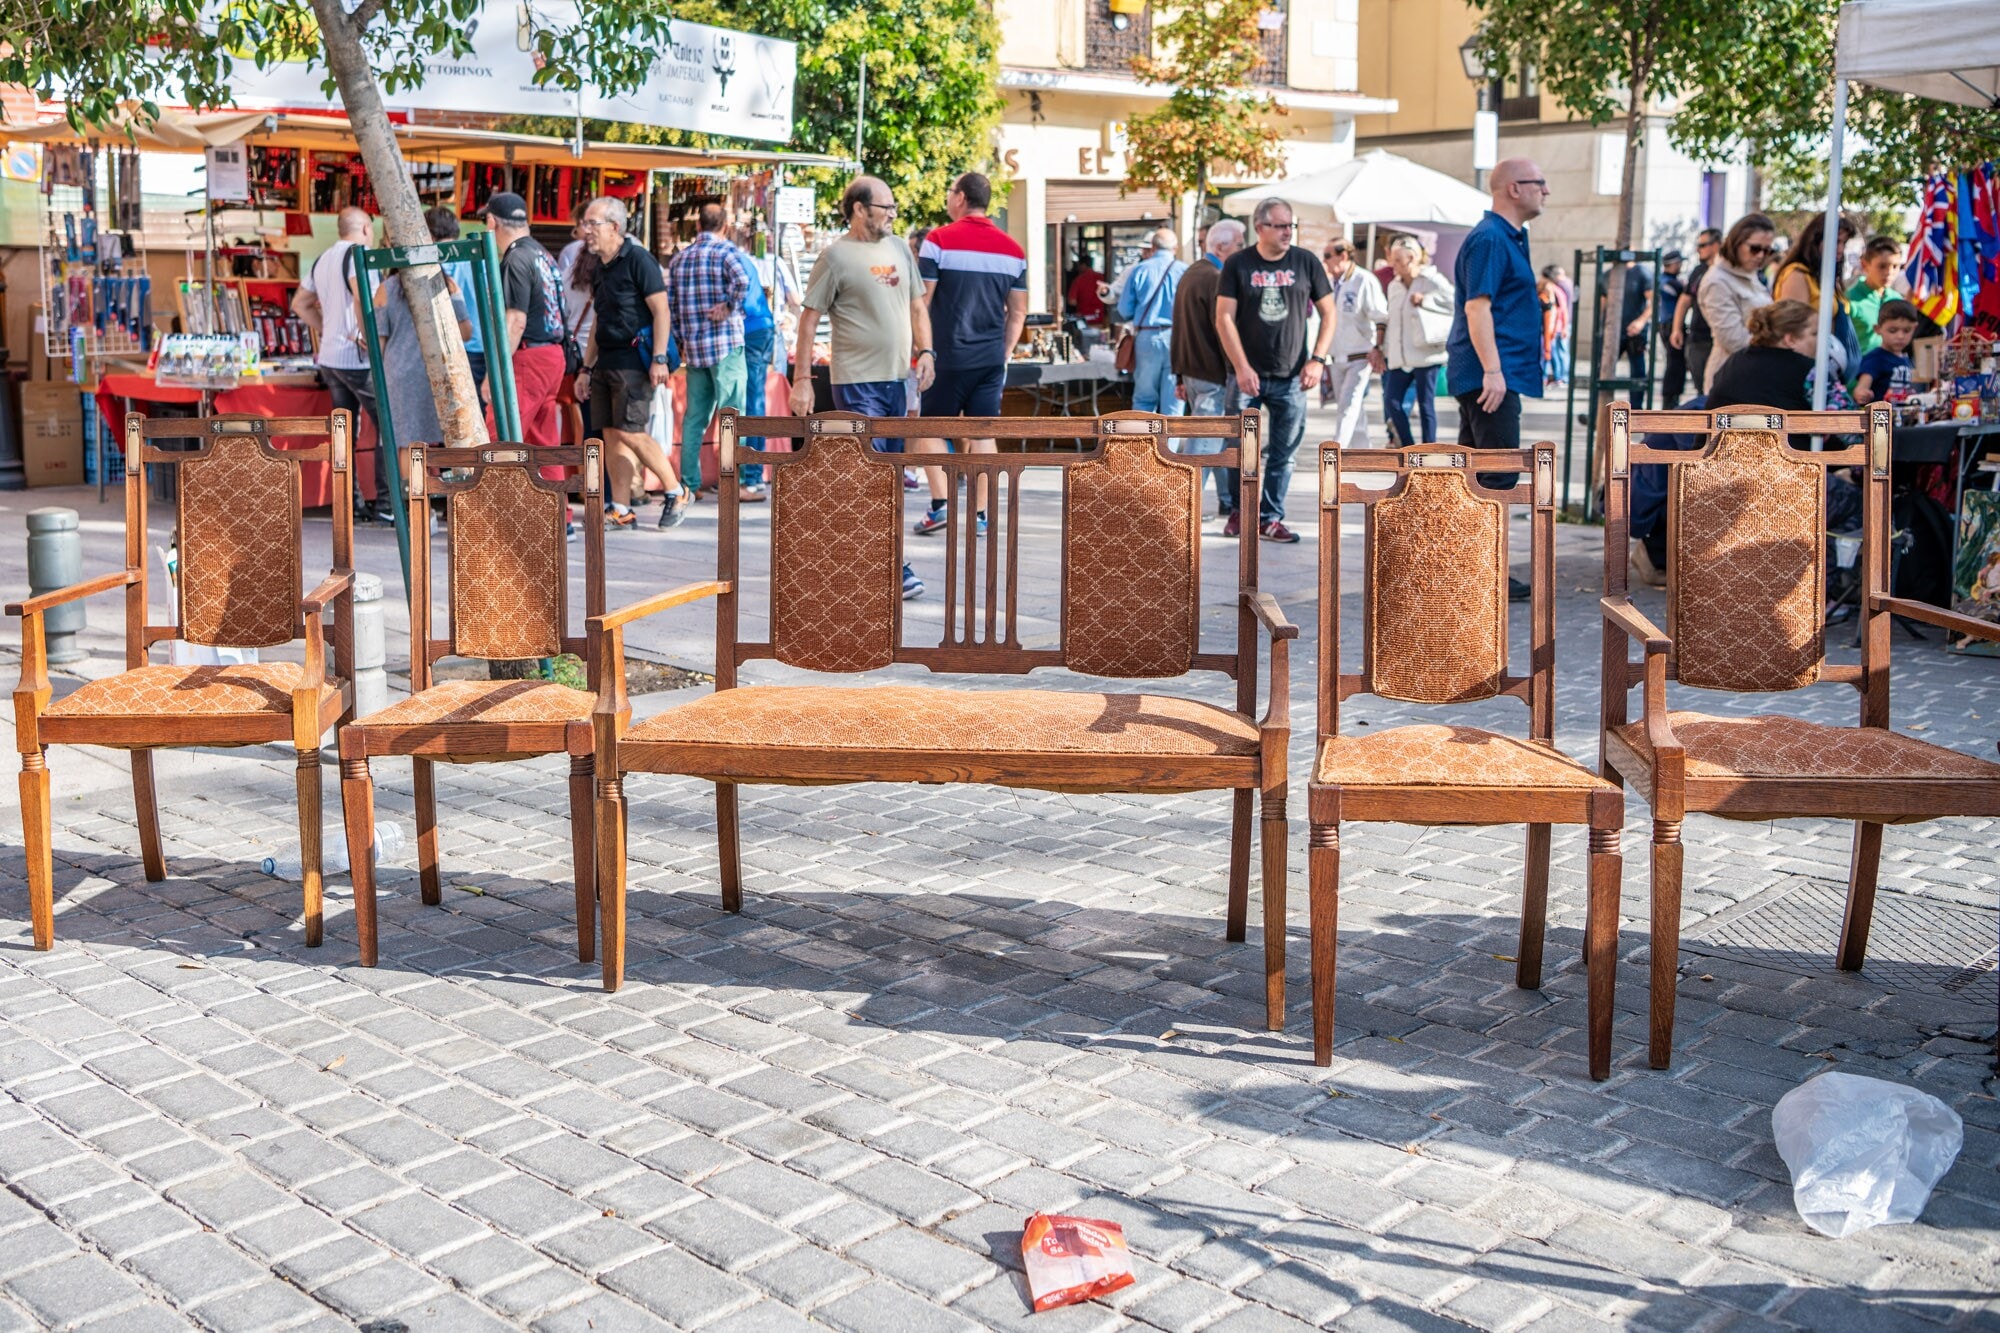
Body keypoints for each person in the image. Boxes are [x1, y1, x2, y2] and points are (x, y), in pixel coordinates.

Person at [787, 175, 934, 600]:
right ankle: (888, 563)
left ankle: (877, 556)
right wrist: (801, 380)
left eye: (893, 208)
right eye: (885, 207)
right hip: (856, 380)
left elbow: (916, 306)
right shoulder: (835, 257)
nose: (891, 214)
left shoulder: (900, 249)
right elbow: (809, 318)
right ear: (859, 208)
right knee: (870, 471)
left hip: (897, 379)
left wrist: (927, 353)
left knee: (892, 471)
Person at [1446, 157, 1548, 586]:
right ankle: (1486, 572)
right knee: (1497, 473)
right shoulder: (1490, 238)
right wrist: (1492, 370)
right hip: (1490, 376)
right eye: (1539, 183)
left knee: (1475, 472)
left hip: (1496, 373)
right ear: (1513, 189)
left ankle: (1469, 566)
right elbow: (1477, 306)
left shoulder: (1508, 237)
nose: (1545, 190)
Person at [1215, 196, 1336, 544]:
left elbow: (1329, 313)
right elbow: (1223, 317)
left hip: (1292, 376)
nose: (1287, 232)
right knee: (1237, 447)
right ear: (1260, 227)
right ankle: (1239, 512)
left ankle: (1270, 517)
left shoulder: (1306, 261)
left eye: (1290, 226)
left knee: (1284, 453)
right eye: (1280, 226)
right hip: (1246, 376)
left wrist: (1318, 359)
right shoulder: (1238, 264)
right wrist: (1240, 367)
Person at [912, 172, 1028, 534]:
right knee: (982, 433)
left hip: (945, 355)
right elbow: (1019, 312)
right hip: (990, 358)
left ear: (960, 197)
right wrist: (1004, 353)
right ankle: (980, 515)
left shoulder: (938, 241)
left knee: (931, 426)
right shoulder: (1014, 250)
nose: (948, 198)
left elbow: (922, 301)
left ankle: (941, 504)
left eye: (950, 191)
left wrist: (921, 350)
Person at [573, 194, 689, 530]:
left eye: (592, 223)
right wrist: (586, 366)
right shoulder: (600, 267)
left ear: (614, 226)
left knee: (631, 431)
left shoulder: (639, 259)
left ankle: (676, 490)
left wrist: (659, 358)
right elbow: (598, 318)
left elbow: (661, 310)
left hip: (634, 360)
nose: (586, 230)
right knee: (611, 434)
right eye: (586, 224)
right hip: (606, 359)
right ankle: (620, 507)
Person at [667, 202, 750, 501]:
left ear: (699, 225)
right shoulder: (727, 252)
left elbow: (672, 307)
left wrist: (680, 340)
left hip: (695, 348)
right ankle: (732, 481)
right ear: (725, 226)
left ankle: (690, 483)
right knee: (732, 415)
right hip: (725, 344)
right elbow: (744, 280)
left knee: (695, 418)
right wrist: (729, 306)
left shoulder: (680, 259)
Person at [478, 192, 567, 469]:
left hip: (529, 358)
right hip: (552, 355)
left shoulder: (516, 257)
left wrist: (494, 373)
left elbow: (516, 320)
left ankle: (490, 510)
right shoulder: (542, 254)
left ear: (492, 222)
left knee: (499, 436)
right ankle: (555, 512)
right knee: (542, 441)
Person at [1172, 218, 1245, 523]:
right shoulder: (1215, 276)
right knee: (1205, 443)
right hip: (1211, 372)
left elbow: (1177, 326)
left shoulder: (1192, 271)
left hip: (1192, 370)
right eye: (1239, 245)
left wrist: (1178, 374)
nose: (1243, 251)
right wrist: (1237, 369)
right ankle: (1186, 506)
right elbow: (1222, 331)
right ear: (1220, 246)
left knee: (1215, 440)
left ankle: (1226, 503)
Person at [370, 259, 473, 455]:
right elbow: (465, 333)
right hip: (440, 372)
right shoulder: (445, 283)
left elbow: (378, 342)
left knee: (408, 444)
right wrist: (457, 298)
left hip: (399, 374)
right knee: (450, 441)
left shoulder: (387, 288)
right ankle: (442, 485)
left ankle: (412, 486)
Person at [294, 206, 378, 438]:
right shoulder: (360, 254)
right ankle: (385, 477)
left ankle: (344, 476)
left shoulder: (323, 258)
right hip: (356, 359)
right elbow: (363, 298)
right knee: (387, 426)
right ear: (365, 228)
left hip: (330, 357)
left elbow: (300, 303)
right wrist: (370, 339)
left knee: (344, 432)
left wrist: (328, 329)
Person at [731, 224, 789, 501]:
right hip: (759, 328)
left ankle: (752, 476)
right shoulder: (739, 258)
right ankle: (751, 475)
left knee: (752, 401)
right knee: (753, 400)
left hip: (751, 330)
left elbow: (740, 294)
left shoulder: (730, 258)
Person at [1380, 236, 1454, 446]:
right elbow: (1392, 319)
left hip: (1426, 352)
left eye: (1396, 260)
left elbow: (1454, 303)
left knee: (1425, 404)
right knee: (1392, 401)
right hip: (1400, 355)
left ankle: (1429, 450)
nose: (1391, 264)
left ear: (1411, 258)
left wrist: (1427, 300)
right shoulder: (1394, 285)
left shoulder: (1432, 279)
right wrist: (1384, 350)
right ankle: (1409, 446)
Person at [1697, 212, 1777, 393]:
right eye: (1755, 248)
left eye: (1767, 250)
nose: (1761, 255)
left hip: (1757, 374)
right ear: (1737, 242)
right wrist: (1778, 347)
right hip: (1731, 378)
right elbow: (1734, 340)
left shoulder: (1750, 274)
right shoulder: (1717, 280)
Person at [1773, 213, 1859, 378]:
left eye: (1844, 243)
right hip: (1807, 369)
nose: (1840, 249)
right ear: (1815, 241)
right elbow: (1792, 327)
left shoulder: (1825, 276)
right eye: (1836, 242)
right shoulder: (1797, 274)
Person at [1320, 239, 1387, 448]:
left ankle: (1337, 451)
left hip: (1360, 354)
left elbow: (1381, 316)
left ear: (1343, 256)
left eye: (1328, 256)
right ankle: (1363, 450)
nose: (1325, 261)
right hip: (1337, 354)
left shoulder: (1364, 280)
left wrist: (1378, 348)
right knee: (1349, 405)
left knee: (1348, 404)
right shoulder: (1329, 283)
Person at [1116, 228, 1188, 418]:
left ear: (1153, 247)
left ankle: (1142, 446)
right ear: (1175, 248)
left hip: (1147, 337)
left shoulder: (1140, 269)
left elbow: (1124, 310)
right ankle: (1169, 448)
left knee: (1143, 400)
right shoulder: (1184, 270)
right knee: (1174, 402)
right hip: (1176, 337)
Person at [1704, 299, 1818, 413]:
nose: (1822, 340)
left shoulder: (1735, 360)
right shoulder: (1809, 370)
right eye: (1815, 333)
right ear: (1790, 339)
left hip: (1720, 429)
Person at [424, 206, 488, 396]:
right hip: (484, 347)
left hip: (454, 349)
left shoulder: (434, 260)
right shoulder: (478, 258)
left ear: (429, 233)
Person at [1670, 227, 1721, 399]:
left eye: (1703, 245)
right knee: (1703, 391)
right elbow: (1685, 301)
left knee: (1717, 392)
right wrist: (1676, 329)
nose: (1698, 249)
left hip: (1720, 340)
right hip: (1698, 340)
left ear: (1716, 245)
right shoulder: (1698, 271)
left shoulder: (1728, 271)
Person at [1851, 299, 1922, 405]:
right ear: (1877, 329)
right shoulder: (1875, 359)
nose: (1900, 336)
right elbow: (1860, 388)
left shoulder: (1905, 358)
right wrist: (1861, 394)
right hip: (1880, 416)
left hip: (1900, 416)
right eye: (1893, 330)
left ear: (1914, 328)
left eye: (1906, 330)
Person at [1599, 256, 1653, 385]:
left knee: (1637, 372)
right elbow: (1603, 304)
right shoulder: (1607, 275)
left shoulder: (1641, 272)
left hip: (1634, 331)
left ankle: (1636, 405)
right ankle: (1602, 404)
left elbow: (1655, 301)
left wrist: (1641, 322)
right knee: (1603, 369)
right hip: (1613, 330)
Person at [1847, 235, 1904, 355]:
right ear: (1864, 265)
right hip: (1859, 371)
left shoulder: (1897, 300)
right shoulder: (1850, 300)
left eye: (1895, 266)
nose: (1889, 273)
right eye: (1882, 266)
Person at [1656, 250, 1687, 406]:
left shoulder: (1666, 280)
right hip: (1670, 326)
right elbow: (1681, 291)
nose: (1681, 266)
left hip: (1669, 325)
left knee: (1676, 364)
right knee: (1675, 364)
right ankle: (1670, 400)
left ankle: (1672, 398)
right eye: (1679, 263)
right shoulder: (1667, 282)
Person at [1538, 265, 1570, 390]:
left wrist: (1562, 327)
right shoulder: (1551, 290)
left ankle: (1559, 377)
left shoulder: (1554, 291)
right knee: (1549, 354)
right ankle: (1550, 377)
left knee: (1553, 354)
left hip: (1553, 328)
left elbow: (1561, 311)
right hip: (1550, 328)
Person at [1067, 252, 1106, 328]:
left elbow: (1072, 301)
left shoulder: (1078, 280)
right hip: (1101, 318)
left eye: (1079, 265)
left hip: (1084, 319)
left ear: (1083, 265)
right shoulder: (1102, 277)